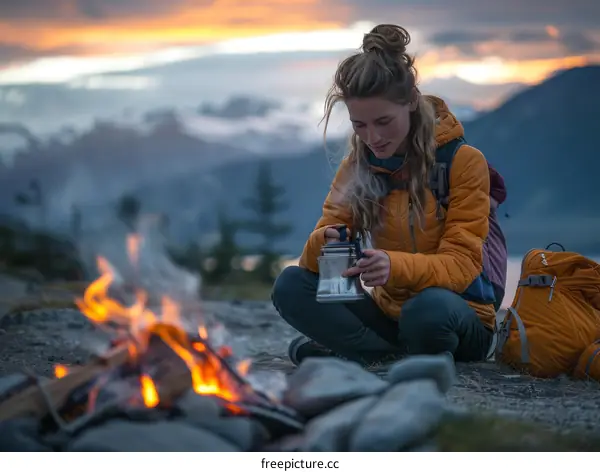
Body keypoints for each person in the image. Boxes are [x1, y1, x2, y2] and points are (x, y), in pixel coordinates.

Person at [271, 24, 508, 371]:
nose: (373, 138)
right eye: (359, 125)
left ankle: (359, 352)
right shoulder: (358, 165)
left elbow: (461, 267)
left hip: (457, 316)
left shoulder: (462, 162)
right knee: (291, 285)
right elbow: (311, 266)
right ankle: (386, 355)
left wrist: (392, 265)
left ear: (412, 101)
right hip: (390, 317)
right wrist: (326, 241)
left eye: (383, 121)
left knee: (425, 311)